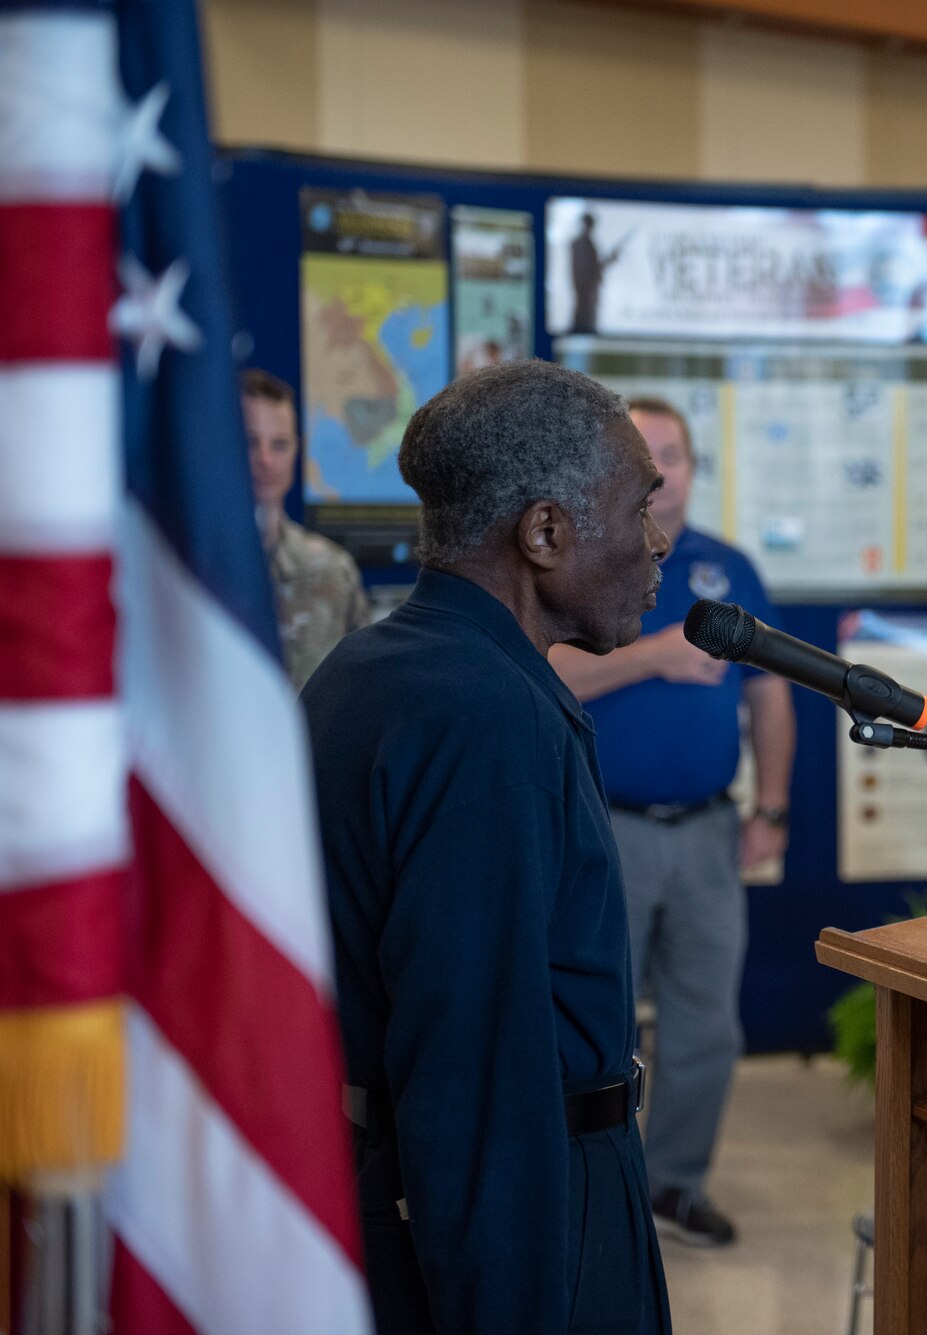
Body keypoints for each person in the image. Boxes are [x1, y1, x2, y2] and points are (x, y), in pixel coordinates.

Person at [302, 361, 673, 1335]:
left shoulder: (375, 668)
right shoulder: (484, 716)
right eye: (639, 509)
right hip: (530, 1206)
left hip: (405, 1190)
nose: (657, 543)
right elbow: (474, 1066)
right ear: (545, 533)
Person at [550, 396, 795, 1249]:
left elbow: (769, 697)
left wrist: (772, 806)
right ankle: (586, 1191)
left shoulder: (733, 569)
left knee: (706, 1022)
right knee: (591, 1019)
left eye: (676, 453)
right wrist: (653, 656)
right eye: (645, 455)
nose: (664, 470)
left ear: (694, 467)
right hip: (601, 828)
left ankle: (673, 1185)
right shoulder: (586, 556)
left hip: (708, 832)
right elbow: (548, 673)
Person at [241, 368, 370, 689]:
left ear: (297, 450)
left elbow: (365, 690)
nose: (266, 460)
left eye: (280, 445)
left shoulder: (332, 572)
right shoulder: (188, 570)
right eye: (250, 442)